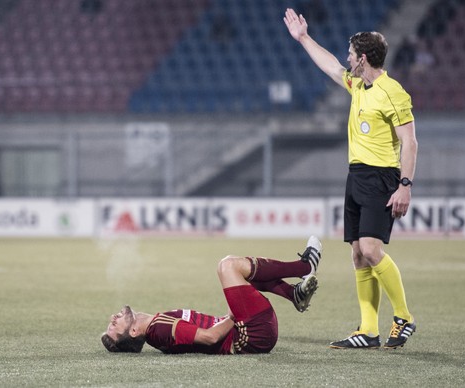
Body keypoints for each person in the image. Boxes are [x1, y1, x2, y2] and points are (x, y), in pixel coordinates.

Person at [283, 9, 418, 350]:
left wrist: (405, 184)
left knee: (372, 250)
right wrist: (303, 38)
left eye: (350, 55)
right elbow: (330, 65)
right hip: (356, 175)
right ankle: (368, 330)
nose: (346, 59)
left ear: (363, 59)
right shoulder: (358, 84)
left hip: (382, 176)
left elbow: (410, 141)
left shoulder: (393, 92)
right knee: (358, 254)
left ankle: (403, 316)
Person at [101, 236, 322, 354]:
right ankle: (303, 267)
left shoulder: (158, 328)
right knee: (227, 266)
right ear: (132, 331)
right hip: (251, 336)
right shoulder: (158, 328)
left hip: (250, 335)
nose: (112, 319)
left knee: (237, 273)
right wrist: (233, 315)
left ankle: (294, 294)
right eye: (113, 326)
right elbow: (210, 337)